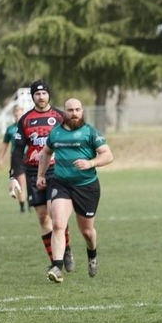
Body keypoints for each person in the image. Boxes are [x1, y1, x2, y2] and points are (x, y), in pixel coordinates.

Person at [36, 98, 114, 283]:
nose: (74, 113)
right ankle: (57, 266)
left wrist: (90, 163)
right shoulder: (55, 133)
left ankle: (92, 255)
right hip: (61, 184)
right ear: (64, 112)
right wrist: (41, 175)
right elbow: (46, 152)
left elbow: (108, 155)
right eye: (70, 110)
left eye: (78, 109)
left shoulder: (90, 132)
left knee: (87, 231)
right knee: (58, 224)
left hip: (86, 186)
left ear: (82, 111)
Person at [12, 80, 75, 275]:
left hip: (57, 170)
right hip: (33, 172)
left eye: (44, 93)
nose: (41, 97)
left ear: (49, 95)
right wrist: (13, 175)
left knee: (56, 215)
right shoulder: (25, 120)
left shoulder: (59, 117)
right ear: (33, 97)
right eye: (37, 94)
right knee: (42, 217)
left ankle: (65, 254)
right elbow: (17, 151)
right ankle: (55, 260)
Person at [0, 104, 28, 213]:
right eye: (16, 115)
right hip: (16, 158)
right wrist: (0, 158)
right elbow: (4, 145)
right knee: (20, 181)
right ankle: (22, 206)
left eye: (20, 114)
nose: (18, 117)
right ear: (13, 115)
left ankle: (31, 201)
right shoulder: (10, 129)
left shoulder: (28, 126)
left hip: (29, 156)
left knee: (32, 181)